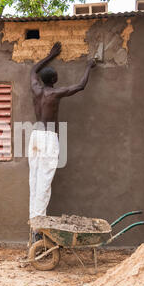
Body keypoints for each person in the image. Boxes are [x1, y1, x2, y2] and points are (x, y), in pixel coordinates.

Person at [28, 41, 97, 243]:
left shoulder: (35, 88)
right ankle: (38, 228)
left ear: (41, 79)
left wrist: (50, 55)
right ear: (55, 79)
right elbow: (81, 85)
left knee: (34, 180)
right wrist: (88, 66)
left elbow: (33, 69)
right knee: (44, 183)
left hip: (35, 136)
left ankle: (34, 222)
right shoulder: (55, 93)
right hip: (48, 138)